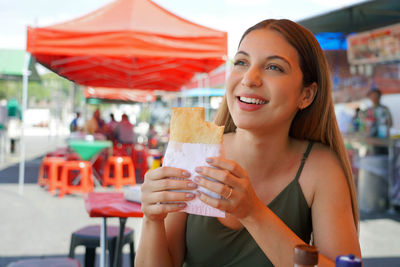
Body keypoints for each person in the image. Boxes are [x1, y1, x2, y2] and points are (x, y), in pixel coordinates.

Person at [136, 19, 361, 266]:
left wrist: (252, 213)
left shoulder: (320, 167)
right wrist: (151, 219)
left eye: (274, 67)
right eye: (241, 62)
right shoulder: (194, 152)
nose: (249, 79)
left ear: (306, 95)